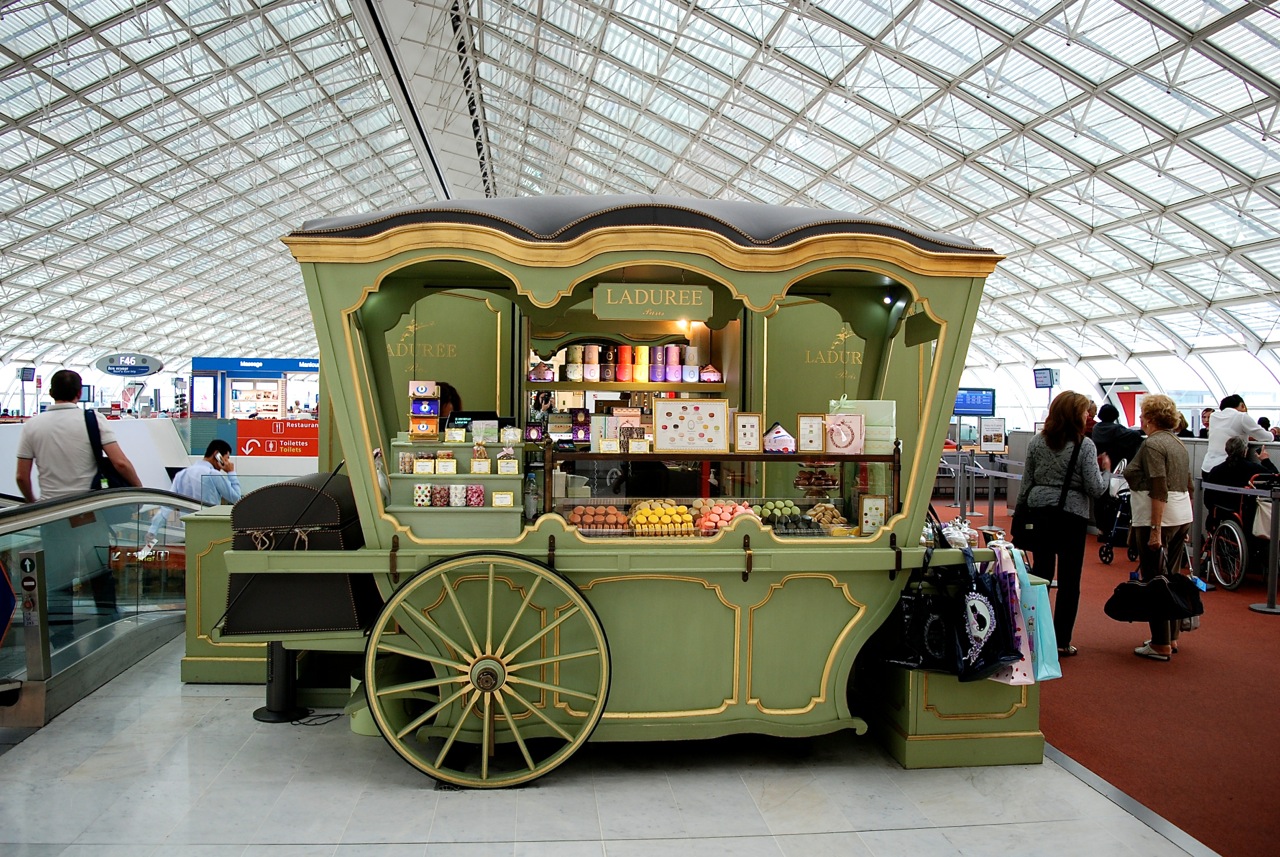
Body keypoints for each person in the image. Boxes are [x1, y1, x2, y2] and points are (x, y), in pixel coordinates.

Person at [14, 370, 143, 628]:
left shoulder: (32, 426)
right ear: (79, 393)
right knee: (99, 574)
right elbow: (119, 462)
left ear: (50, 393)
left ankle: (60, 635)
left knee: (58, 580)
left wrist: (32, 503)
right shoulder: (93, 419)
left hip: (52, 515)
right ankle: (107, 625)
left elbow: (21, 476)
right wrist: (138, 489)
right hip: (89, 513)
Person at [1014, 390, 1110, 657]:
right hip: (1070, 518)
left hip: (1038, 512)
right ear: (1073, 414)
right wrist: (1105, 470)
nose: (1088, 415)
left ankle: (1032, 633)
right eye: (1084, 411)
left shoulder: (1037, 441)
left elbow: (1026, 481)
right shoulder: (1085, 445)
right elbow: (1095, 488)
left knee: (1041, 574)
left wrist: (1021, 511)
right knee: (1069, 580)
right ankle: (1061, 640)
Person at [1124, 395, 1195, 661]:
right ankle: (1172, 635)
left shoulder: (1153, 445)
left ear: (1151, 419)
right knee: (1173, 576)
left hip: (1157, 517)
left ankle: (1160, 642)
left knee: (1155, 579)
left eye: (1142, 415)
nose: (1140, 420)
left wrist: (1155, 529)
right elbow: (1188, 485)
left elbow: (1158, 485)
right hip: (1180, 515)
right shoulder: (1178, 443)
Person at [144, 440, 242, 545]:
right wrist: (231, 472)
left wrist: (153, 530)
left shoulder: (182, 474)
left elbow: (167, 506)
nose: (227, 463)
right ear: (217, 455)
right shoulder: (212, 474)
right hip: (210, 531)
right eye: (226, 458)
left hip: (188, 532)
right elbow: (236, 498)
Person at [1204, 435, 1276, 532]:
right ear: (1245, 451)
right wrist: (1265, 460)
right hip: (1246, 520)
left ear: (1226, 450)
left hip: (1218, 518)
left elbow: (1207, 500)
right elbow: (1275, 477)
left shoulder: (1215, 470)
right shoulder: (1253, 469)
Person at [1202, 395, 1271, 478]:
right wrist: (1273, 434)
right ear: (1242, 405)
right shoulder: (1241, 416)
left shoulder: (1214, 416)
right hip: (1229, 469)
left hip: (1207, 468)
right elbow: (1264, 436)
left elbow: (1227, 432)